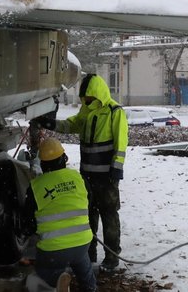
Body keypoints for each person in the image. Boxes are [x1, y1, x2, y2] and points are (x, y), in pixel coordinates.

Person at [49, 74, 128, 272]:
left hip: (107, 177)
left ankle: (111, 258)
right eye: (85, 99)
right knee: (88, 216)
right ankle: (88, 254)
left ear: (98, 94)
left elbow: (121, 141)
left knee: (109, 216)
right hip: (87, 176)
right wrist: (51, 123)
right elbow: (70, 125)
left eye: (90, 98)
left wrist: (117, 167)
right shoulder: (86, 112)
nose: (87, 102)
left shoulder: (114, 111)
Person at [23, 138, 98, 292]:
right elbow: (89, 204)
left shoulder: (36, 186)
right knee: (82, 261)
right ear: (64, 158)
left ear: (43, 163)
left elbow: (28, 222)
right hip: (83, 242)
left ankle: (56, 280)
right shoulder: (79, 178)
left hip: (53, 248)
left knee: (45, 270)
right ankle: (90, 287)